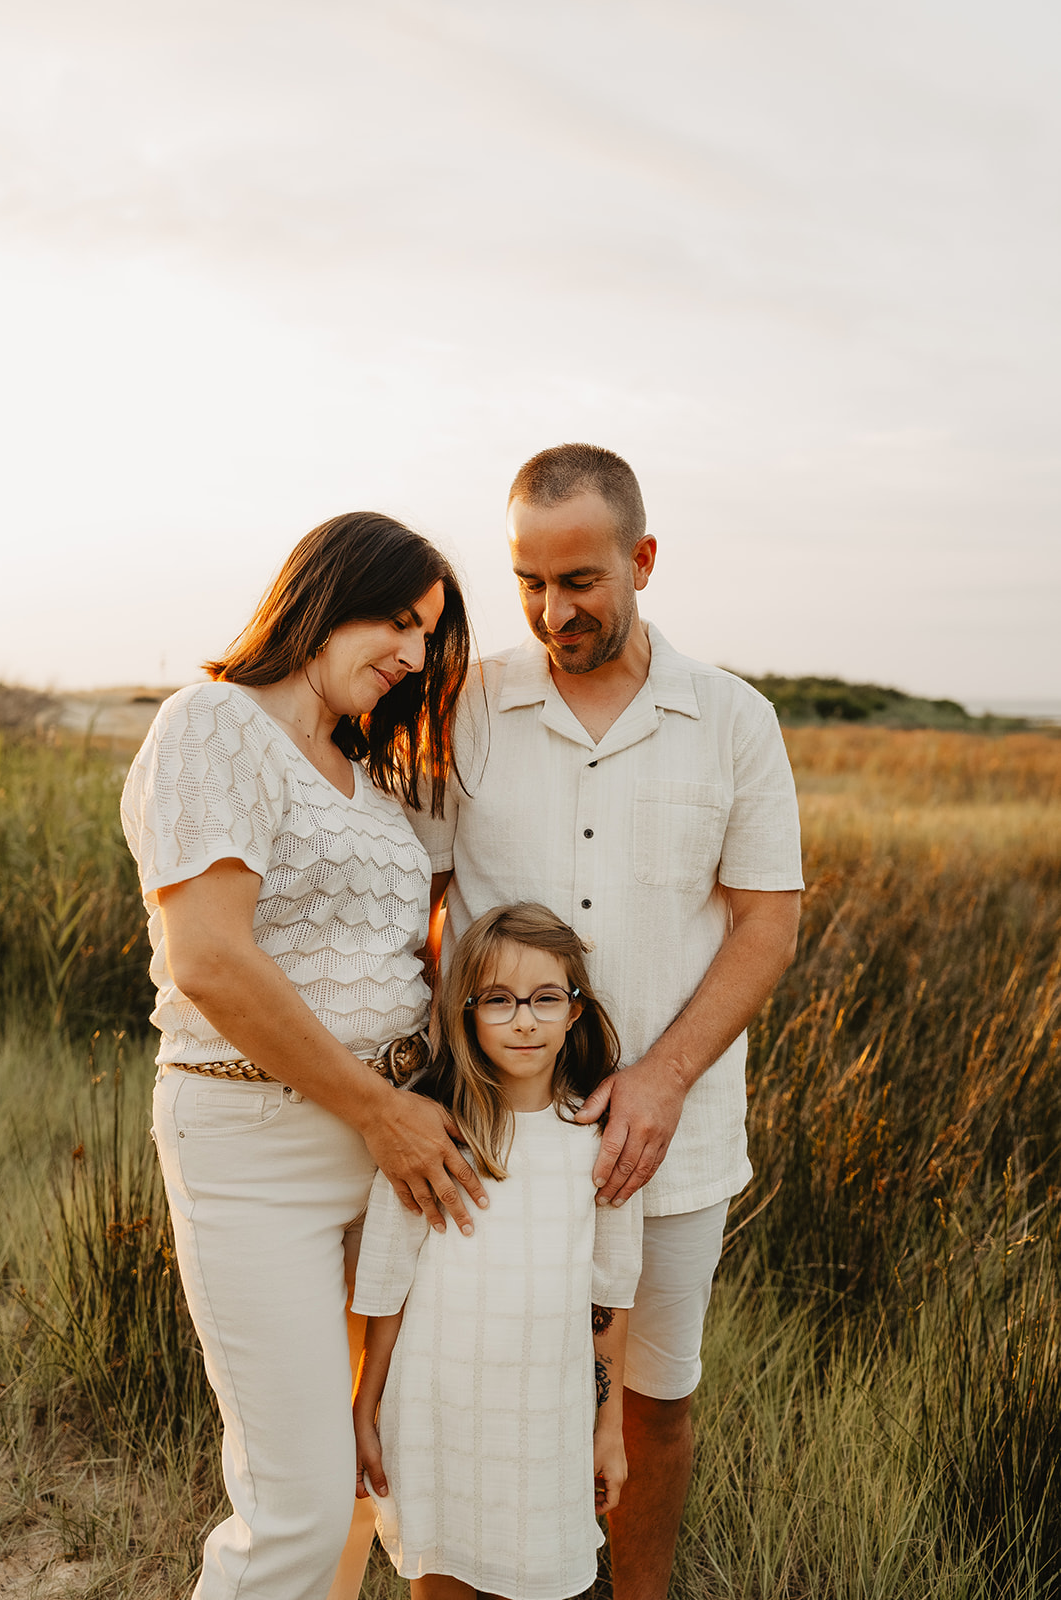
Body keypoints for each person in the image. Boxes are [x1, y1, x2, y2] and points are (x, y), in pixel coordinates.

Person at [414, 445, 804, 1600]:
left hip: (670, 1144)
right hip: (490, 1144)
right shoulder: (464, 706)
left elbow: (766, 924)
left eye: (579, 580)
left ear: (642, 559)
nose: (551, 611)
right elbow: (415, 897)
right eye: (528, 582)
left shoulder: (732, 719)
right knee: (467, 1395)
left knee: (653, 1401)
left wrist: (662, 1075)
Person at [120, 510, 490, 1600]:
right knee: (298, 1506)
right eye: (397, 621)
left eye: (427, 635)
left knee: (369, 1475)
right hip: (258, 1145)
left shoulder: (366, 772)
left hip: (388, 1155)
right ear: (324, 598)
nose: (412, 654)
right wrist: (379, 1111)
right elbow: (211, 960)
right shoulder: (213, 724)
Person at [352, 902, 643, 1600]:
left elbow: (609, 1298)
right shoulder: (432, 1136)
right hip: (437, 1408)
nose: (524, 1020)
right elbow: (387, 1283)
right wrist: (366, 1405)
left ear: (575, 1011)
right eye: (498, 1000)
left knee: (543, 1577)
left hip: (547, 1418)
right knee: (443, 1575)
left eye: (545, 999)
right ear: (467, 1012)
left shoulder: (598, 1140)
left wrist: (608, 1429)